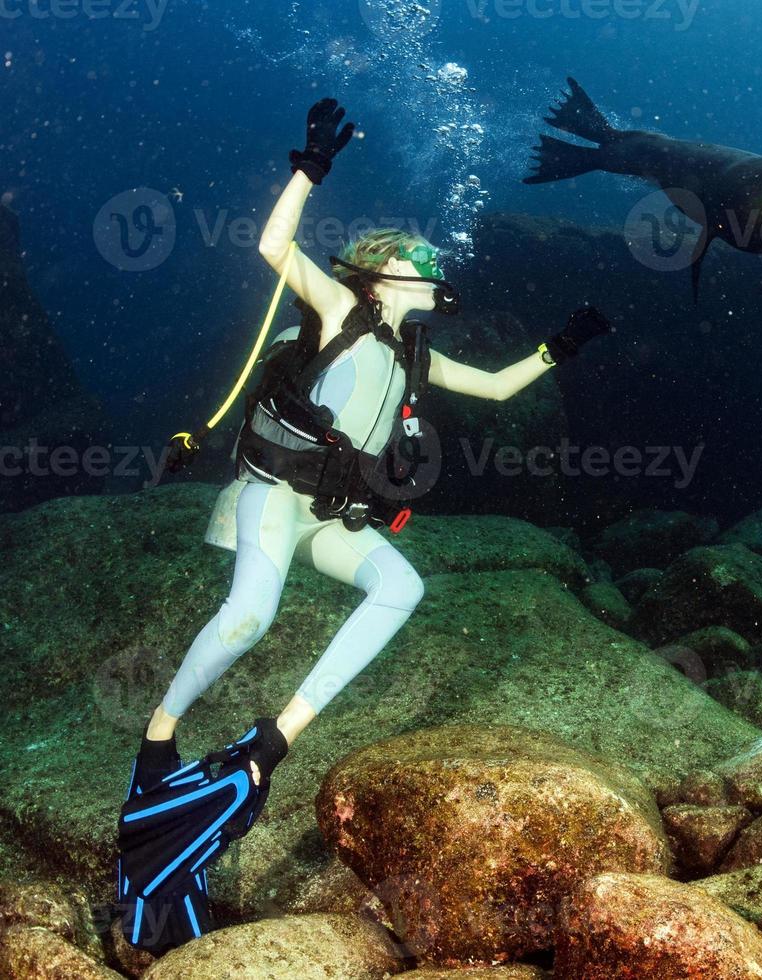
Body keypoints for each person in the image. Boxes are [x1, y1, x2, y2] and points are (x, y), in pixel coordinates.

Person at [115, 99, 611, 954]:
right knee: (249, 617)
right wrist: (309, 168)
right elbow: (273, 249)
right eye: (419, 258)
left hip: (330, 514)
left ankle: (275, 739)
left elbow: (492, 389)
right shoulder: (338, 309)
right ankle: (158, 740)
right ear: (381, 275)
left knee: (402, 583)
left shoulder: (418, 354)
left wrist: (556, 350)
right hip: (272, 494)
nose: (435, 265)